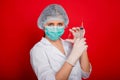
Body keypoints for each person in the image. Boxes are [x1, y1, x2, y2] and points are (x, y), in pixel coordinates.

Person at [30, 4, 92, 80]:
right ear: (43, 25)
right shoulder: (38, 50)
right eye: (51, 24)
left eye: (59, 24)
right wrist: (72, 57)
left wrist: (80, 42)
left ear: (64, 25)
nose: (55, 28)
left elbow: (86, 74)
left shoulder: (69, 45)